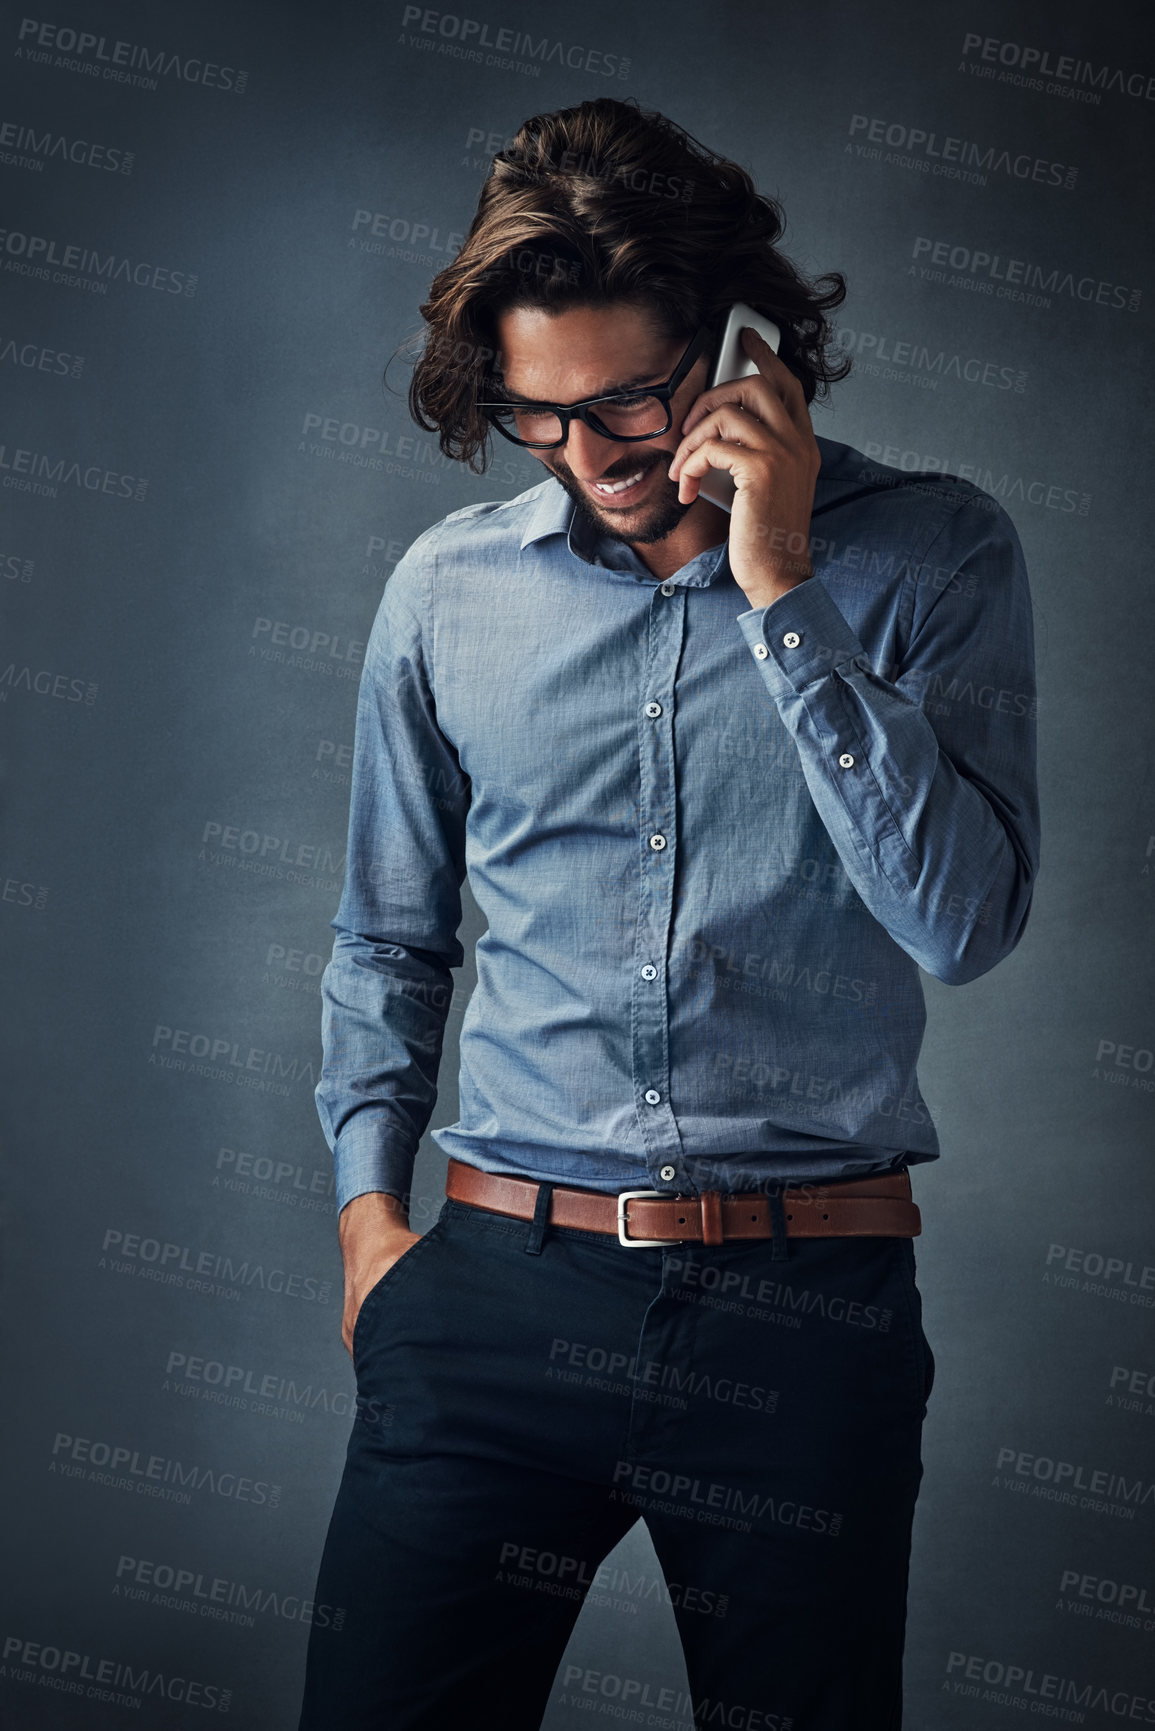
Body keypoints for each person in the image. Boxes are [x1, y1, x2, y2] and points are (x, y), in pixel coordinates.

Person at [297, 96, 1039, 1731]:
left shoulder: (934, 558)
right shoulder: (446, 593)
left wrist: (782, 592)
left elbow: (963, 923)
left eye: (629, 400)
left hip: (805, 1324)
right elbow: (386, 939)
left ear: (745, 342)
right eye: (540, 418)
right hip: (492, 1306)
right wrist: (370, 1222)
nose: (594, 456)